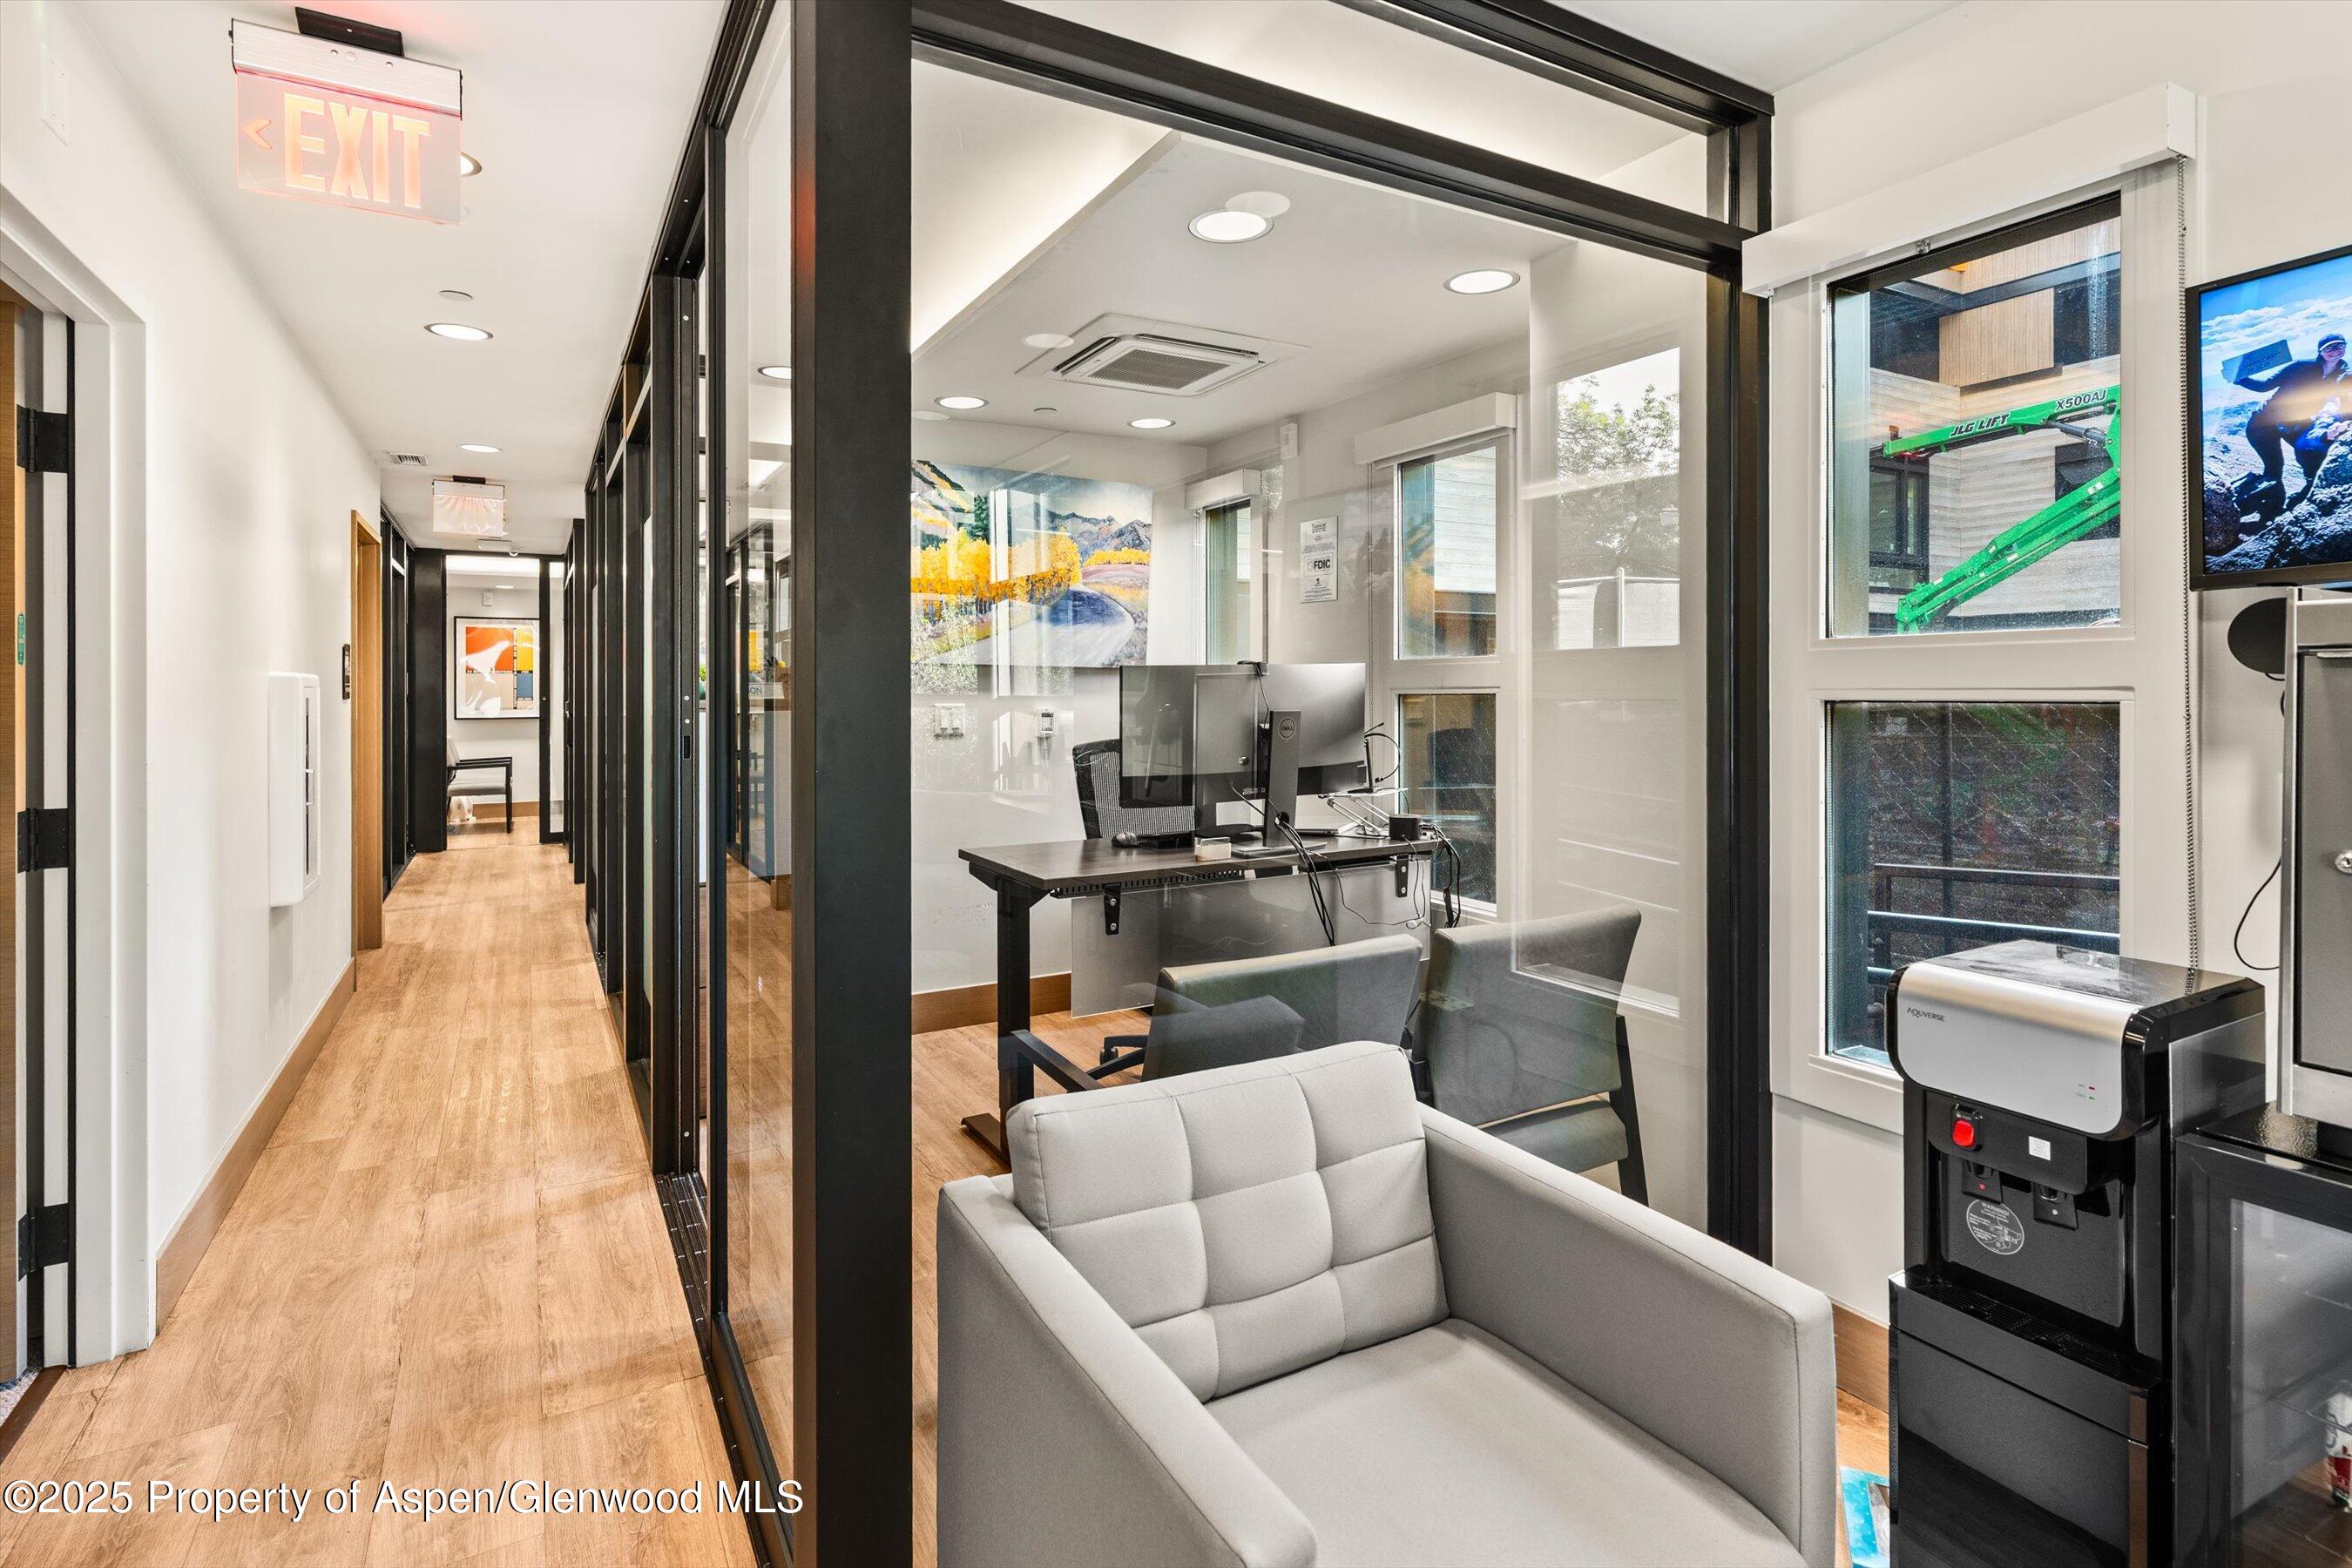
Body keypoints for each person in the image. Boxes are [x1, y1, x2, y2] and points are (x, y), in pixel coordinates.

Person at [2238, 334, 2351, 510]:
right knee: (2274, 468)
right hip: (2263, 425)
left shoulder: (2341, 373)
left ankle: (2308, 494)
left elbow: (2342, 396)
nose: (2335, 351)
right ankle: (2270, 510)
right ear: (2320, 351)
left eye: (2340, 346)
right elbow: (2264, 386)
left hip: (2295, 424)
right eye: (2329, 347)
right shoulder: (2301, 367)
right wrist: (2239, 377)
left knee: (2313, 454)